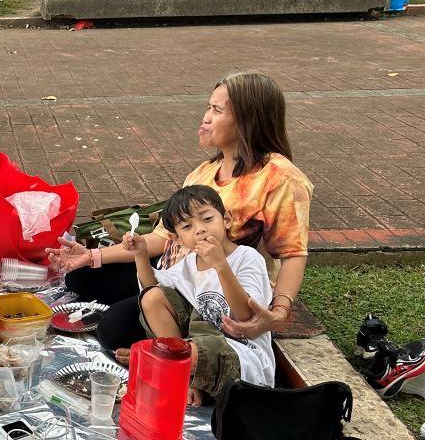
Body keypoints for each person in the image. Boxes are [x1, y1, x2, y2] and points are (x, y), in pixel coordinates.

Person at [49, 72, 313, 355]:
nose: (206, 118)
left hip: (215, 292)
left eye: (217, 110)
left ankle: (167, 333)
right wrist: (91, 256)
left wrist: (277, 312)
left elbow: (292, 253)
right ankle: (144, 305)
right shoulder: (204, 172)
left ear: (249, 120)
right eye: (208, 107)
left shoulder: (281, 178)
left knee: (113, 328)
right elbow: (163, 237)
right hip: (175, 273)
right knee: (82, 277)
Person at [124, 185, 275, 406]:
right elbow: (151, 289)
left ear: (226, 219)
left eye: (206, 218)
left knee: (189, 353)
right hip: (200, 345)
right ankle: (185, 378)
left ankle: (176, 371)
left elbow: (245, 315)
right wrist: (141, 254)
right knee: (152, 298)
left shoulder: (247, 258)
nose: (200, 229)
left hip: (243, 355)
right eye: (187, 226)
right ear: (177, 239)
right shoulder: (188, 265)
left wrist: (221, 266)